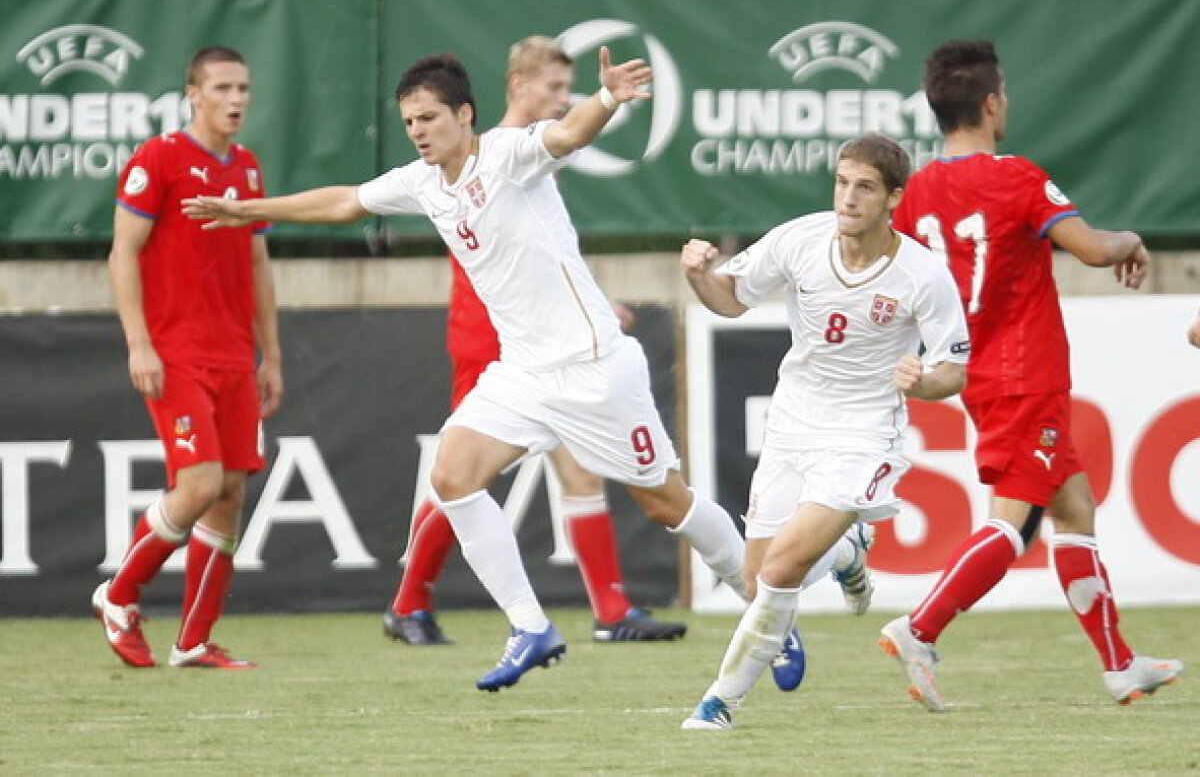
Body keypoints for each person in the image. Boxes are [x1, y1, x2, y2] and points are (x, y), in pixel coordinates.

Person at [184, 46, 765, 693]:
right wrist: (250, 210)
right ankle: (530, 627)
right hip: (523, 375)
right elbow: (346, 202)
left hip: (595, 368)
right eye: (409, 123)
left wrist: (605, 99)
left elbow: (570, 131)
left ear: (465, 115)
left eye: (429, 117)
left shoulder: (510, 154)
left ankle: (767, 609)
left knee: (666, 502)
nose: (419, 132)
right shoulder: (422, 182)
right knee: (452, 474)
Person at [882, 38, 1183, 709]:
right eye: (1006, 94)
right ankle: (920, 627)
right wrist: (1131, 240)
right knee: (1013, 522)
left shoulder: (919, 192)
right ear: (991, 104)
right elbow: (1094, 249)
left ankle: (1119, 664)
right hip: (1026, 374)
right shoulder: (1016, 177)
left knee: (1075, 507)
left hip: (973, 373)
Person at [383, 37, 686, 646]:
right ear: (518, 87)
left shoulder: (520, 157)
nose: (560, 100)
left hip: (549, 349)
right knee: (462, 477)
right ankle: (410, 601)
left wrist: (596, 303)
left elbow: (543, 253)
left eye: (565, 91)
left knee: (578, 473)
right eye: (552, 88)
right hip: (494, 346)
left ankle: (610, 611)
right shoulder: (477, 156)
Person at [677, 133, 970, 731]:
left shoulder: (922, 275)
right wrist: (699, 277)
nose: (848, 197)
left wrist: (921, 382)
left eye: (864, 187)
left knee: (781, 570)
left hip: (863, 434)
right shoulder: (801, 239)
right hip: (793, 422)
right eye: (842, 182)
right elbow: (730, 301)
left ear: (893, 198)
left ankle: (719, 702)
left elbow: (954, 370)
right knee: (760, 579)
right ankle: (846, 552)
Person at [94, 45, 283, 670]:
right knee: (199, 483)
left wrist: (270, 356)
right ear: (192, 94)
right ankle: (119, 596)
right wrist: (139, 341)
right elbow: (124, 252)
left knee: (229, 492)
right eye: (223, 87)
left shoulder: (248, 169)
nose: (236, 100)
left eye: (244, 88)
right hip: (176, 353)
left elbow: (257, 264)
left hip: (234, 356)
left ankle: (193, 640)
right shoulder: (160, 158)